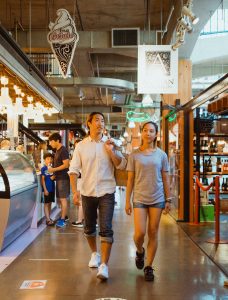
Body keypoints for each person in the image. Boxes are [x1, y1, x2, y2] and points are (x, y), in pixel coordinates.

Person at [69, 112, 127, 280]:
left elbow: (121, 164)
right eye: (96, 120)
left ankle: (104, 266)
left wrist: (111, 151)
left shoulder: (110, 143)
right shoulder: (81, 146)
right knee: (88, 228)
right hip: (87, 192)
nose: (100, 123)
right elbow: (73, 170)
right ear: (89, 123)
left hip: (107, 191)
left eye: (102, 121)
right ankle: (95, 253)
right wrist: (74, 191)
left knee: (106, 228)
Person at [125, 121, 172, 281]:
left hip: (157, 198)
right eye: (145, 130)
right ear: (141, 133)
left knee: (153, 232)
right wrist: (127, 201)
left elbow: (165, 178)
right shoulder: (134, 154)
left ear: (156, 134)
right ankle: (140, 251)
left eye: (152, 131)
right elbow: (130, 180)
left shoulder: (162, 155)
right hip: (139, 198)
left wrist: (168, 199)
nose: (148, 133)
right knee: (139, 234)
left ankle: (149, 266)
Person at [48, 133, 70, 228]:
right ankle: (64, 216)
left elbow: (66, 165)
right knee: (61, 200)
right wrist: (54, 175)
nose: (50, 143)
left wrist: (53, 170)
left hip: (63, 179)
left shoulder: (63, 150)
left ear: (57, 141)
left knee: (63, 199)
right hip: (59, 178)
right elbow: (58, 165)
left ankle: (62, 219)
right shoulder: (57, 151)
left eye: (51, 141)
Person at [71, 138, 84, 228]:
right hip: (82, 180)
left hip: (82, 181)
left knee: (81, 202)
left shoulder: (82, 155)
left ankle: (80, 221)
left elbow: (77, 171)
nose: (76, 147)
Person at [41, 153, 55, 226]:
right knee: (46, 204)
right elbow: (42, 180)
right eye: (47, 159)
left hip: (52, 188)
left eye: (50, 159)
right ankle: (47, 220)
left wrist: (54, 176)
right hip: (47, 189)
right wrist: (45, 189)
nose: (49, 160)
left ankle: (49, 218)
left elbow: (53, 177)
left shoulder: (52, 168)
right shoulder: (43, 168)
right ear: (44, 160)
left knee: (50, 203)